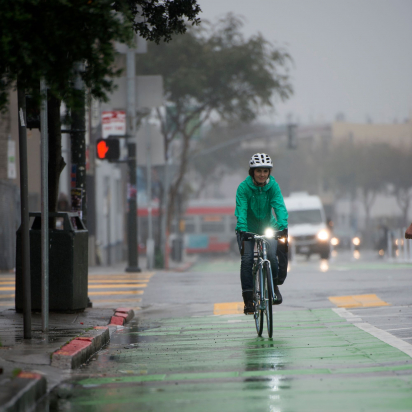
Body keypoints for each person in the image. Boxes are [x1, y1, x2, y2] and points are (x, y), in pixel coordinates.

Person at [235, 153, 289, 314]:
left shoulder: (273, 186)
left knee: (272, 256)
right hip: (247, 229)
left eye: (265, 171)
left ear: (269, 173)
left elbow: (279, 206)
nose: (262, 174)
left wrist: (282, 226)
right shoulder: (243, 188)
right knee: (247, 260)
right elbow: (241, 210)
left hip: (268, 227)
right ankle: (248, 299)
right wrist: (243, 230)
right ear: (252, 172)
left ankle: (274, 287)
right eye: (258, 171)